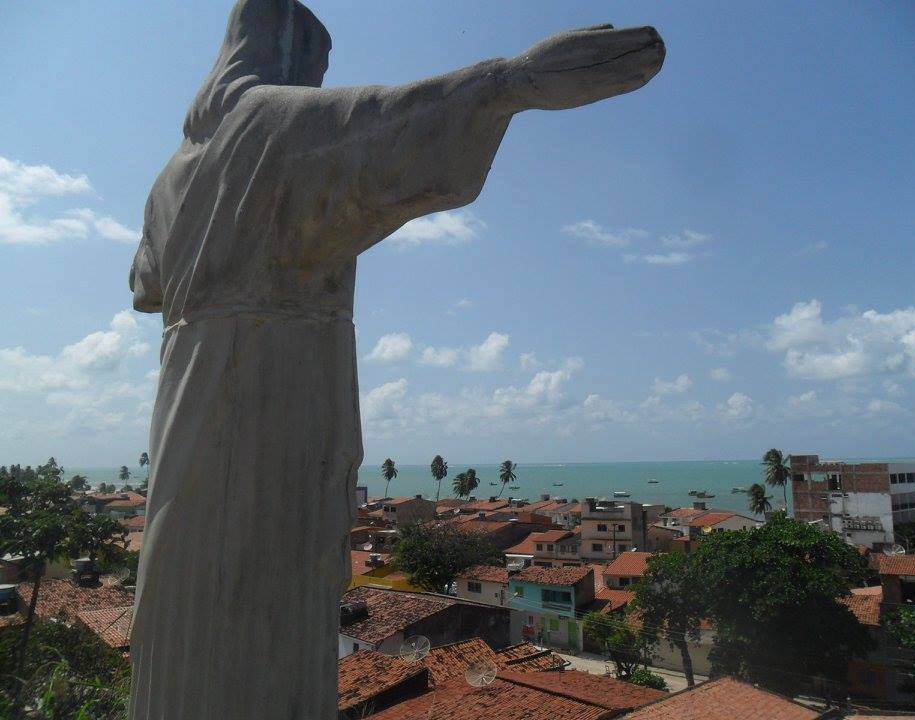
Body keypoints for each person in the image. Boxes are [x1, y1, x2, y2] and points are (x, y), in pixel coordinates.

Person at [129, 1, 664, 717]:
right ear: (288, 55)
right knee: (263, 598)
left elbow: (145, 285)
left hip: (183, 401)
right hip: (271, 384)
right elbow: (387, 121)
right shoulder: (265, 124)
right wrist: (513, 80)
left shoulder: (172, 176)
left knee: (185, 595)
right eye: (316, 66)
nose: (318, 83)